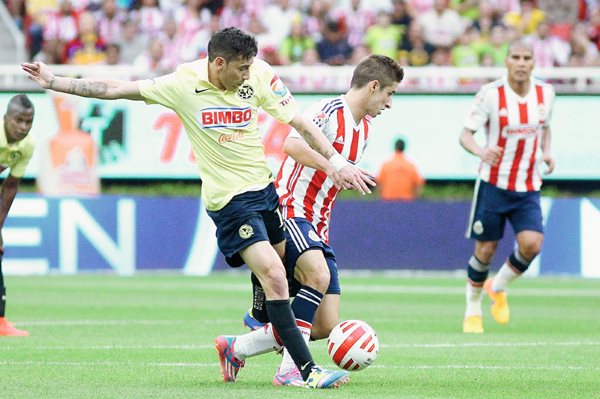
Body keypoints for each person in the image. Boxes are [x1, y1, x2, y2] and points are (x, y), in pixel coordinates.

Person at [22, 27, 374, 388]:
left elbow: (299, 122)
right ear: (218, 63)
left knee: (296, 278)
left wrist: (336, 160)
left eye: (251, 66)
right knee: (275, 275)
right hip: (230, 204)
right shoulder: (183, 83)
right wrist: (54, 81)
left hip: (266, 195)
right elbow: (115, 89)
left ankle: (239, 345)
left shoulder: (261, 75)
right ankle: (301, 371)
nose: (247, 75)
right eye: (241, 68)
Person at [231, 54, 404, 386]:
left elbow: (334, 178)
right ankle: (290, 372)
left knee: (325, 324)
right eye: (390, 93)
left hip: (318, 223)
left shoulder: (364, 127)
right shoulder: (327, 111)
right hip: (290, 211)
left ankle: (235, 348)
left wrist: (345, 176)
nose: (390, 103)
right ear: (373, 86)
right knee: (318, 274)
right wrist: (333, 166)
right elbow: (291, 145)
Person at [460, 39, 555, 334]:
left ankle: (497, 287)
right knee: (486, 250)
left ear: (534, 62)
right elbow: (465, 135)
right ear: (507, 61)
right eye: (516, 56)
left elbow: (545, 128)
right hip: (493, 184)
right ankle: (472, 308)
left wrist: (547, 152)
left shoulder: (546, 93)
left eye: (527, 57)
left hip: (528, 185)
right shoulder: (491, 95)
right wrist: (481, 151)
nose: (522, 62)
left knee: (532, 245)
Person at [0, 94, 36, 337]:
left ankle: (1, 321)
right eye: (18, 121)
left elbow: (10, 186)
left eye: (28, 121)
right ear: (5, 118)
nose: (23, 127)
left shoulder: (27, 145)